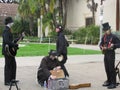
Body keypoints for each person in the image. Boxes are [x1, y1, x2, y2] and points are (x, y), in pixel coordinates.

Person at [99, 22, 120, 89]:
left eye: (107, 30)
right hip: (105, 53)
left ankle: (113, 83)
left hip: (111, 54)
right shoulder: (104, 37)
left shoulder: (113, 36)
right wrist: (101, 47)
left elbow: (119, 44)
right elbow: (100, 44)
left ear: (109, 29)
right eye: (105, 30)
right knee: (107, 68)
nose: (106, 31)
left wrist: (114, 45)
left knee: (111, 69)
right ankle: (109, 81)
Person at [2, 17, 19, 86]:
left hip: (10, 52)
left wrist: (18, 38)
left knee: (13, 65)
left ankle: (12, 79)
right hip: (7, 52)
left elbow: (11, 41)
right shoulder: (6, 30)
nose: (12, 23)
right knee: (8, 66)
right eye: (12, 22)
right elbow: (6, 41)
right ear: (9, 23)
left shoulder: (9, 30)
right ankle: (7, 81)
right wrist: (14, 44)